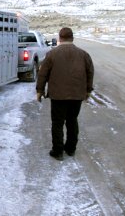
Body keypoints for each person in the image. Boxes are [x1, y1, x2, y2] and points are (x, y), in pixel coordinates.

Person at [36, 27, 94, 161]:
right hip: (76, 95)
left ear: (60, 38)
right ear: (72, 38)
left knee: (57, 123)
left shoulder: (52, 54)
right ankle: (71, 149)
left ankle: (58, 151)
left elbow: (42, 74)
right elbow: (90, 73)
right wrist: (88, 90)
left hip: (58, 96)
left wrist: (40, 90)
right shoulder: (83, 54)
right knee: (72, 121)